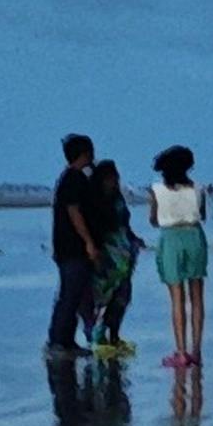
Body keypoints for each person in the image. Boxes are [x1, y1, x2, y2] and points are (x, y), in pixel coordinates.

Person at [46, 132, 122, 352]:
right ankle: (59, 340)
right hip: (72, 248)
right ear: (84, 154)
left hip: (70, 247)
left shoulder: (73, 178)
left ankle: (65, 339)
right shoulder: (74, 179)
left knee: (74, 293)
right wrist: (89, 241)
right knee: (70, 295)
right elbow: (74, 212)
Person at [147, 144, 211, 364]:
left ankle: (181, 351)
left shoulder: (156, 189)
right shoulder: (198, 188)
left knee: (176, 297)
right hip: (194, 235)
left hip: (171, 238)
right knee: (197, 297)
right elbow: (202, 215)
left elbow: (153, 221)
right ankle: (197, 349)